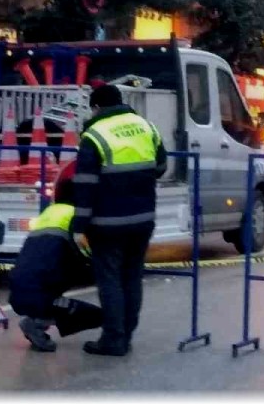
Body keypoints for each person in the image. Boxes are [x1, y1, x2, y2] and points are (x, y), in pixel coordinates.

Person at [71, 83, 166, 357]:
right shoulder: (146, 127)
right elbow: (161, 167)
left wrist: (79, 226)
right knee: (132, 277)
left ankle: (114, 339)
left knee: (110, 279)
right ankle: (127, 334)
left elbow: (85, 185)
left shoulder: (94, 135)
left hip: (108, 223)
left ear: (97, 107)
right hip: (143, 219)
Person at [10, 173, 103, 352]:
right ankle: (36, 323)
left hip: (18, 289)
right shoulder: (75, 216)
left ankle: (38, 319)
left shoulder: (48, 214)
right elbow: (91, 253)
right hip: (38, 292)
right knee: (99, 316)